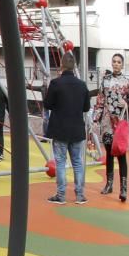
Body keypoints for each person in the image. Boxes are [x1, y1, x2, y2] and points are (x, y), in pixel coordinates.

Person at [43, 53, 90, 204]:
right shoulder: (82, 85)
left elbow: (48, 104)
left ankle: (61, 195)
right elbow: (86, 107)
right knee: (77, 162)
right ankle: (80, 195)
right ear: (74, 65)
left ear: (62, 66)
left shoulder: (56, 83)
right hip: (77, 128)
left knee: (61, 162)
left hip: (60, 128)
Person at [92, 52, 129, 202]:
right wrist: (96, 120)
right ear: (112, 63)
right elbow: (100, 101)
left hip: (120, 124)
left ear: (122, 65)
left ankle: (124, 189)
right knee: (109, 153)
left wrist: (127, 104)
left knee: (121, 154)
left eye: (118, 62)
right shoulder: (105, 80)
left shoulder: (127, 82)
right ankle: (109, 184)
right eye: (114, 61)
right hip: (107, 123)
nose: (116, 64)